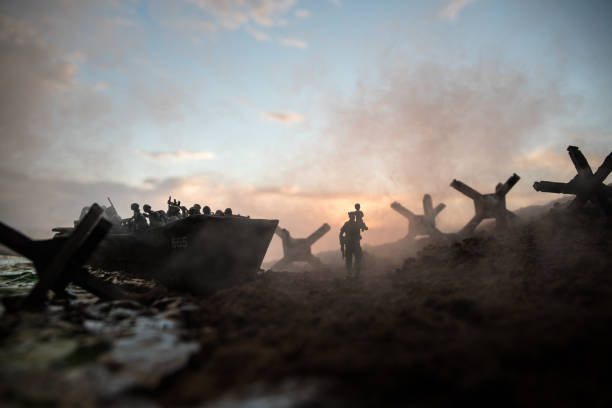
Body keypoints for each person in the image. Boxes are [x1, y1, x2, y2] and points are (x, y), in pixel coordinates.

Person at [339, 212, 363, 276]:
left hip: (355, 244)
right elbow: (341, 233)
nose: (353, 217)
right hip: (349, 244)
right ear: (350, 217)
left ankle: (356, 273)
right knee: (349, 259)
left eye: (354, 216)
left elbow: (363, 227)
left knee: (358, 258)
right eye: (352, 216)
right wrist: (342, 242)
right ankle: (350, 273)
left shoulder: (356, 224)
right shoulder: (347, 224)